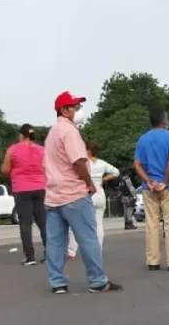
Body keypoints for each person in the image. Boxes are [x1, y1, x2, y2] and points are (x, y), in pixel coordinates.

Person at [43, 91, 122, 294]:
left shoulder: (52, 133)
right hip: (74, 194)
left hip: (53, 196)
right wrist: (89, 183)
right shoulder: (70, 132)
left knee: (56, 242)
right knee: (88, 237)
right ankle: (97, 281)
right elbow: (78, 160)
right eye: (75, 107)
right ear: (64, 110)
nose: (79, 111)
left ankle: (57, 282)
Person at [134, 107, 169, 271]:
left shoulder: (142, 139)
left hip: (149, 187)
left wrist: (149, 180)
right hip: (168, 186)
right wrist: (165, 181)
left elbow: (137, 164)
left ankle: (153, 261)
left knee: (152, 224)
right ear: (164, 120)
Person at [2, 124, 47, 265]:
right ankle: (50, 254)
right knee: (43, 222)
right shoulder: (42, 150)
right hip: (41, 187)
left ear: (21, 135)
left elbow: (5, 169)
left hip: (22, 189)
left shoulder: (13, 149)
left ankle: (30, 256)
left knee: (26, 223)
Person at [68, 141, 119, 258]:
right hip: (100, 194)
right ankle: (98, 250)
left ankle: (71, 250)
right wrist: (104, 179)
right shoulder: (102, 163)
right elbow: (116, 172)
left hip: (87, 193)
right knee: (99, 224)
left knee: (77, 222)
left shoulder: (84, 163)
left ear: (89, 151)